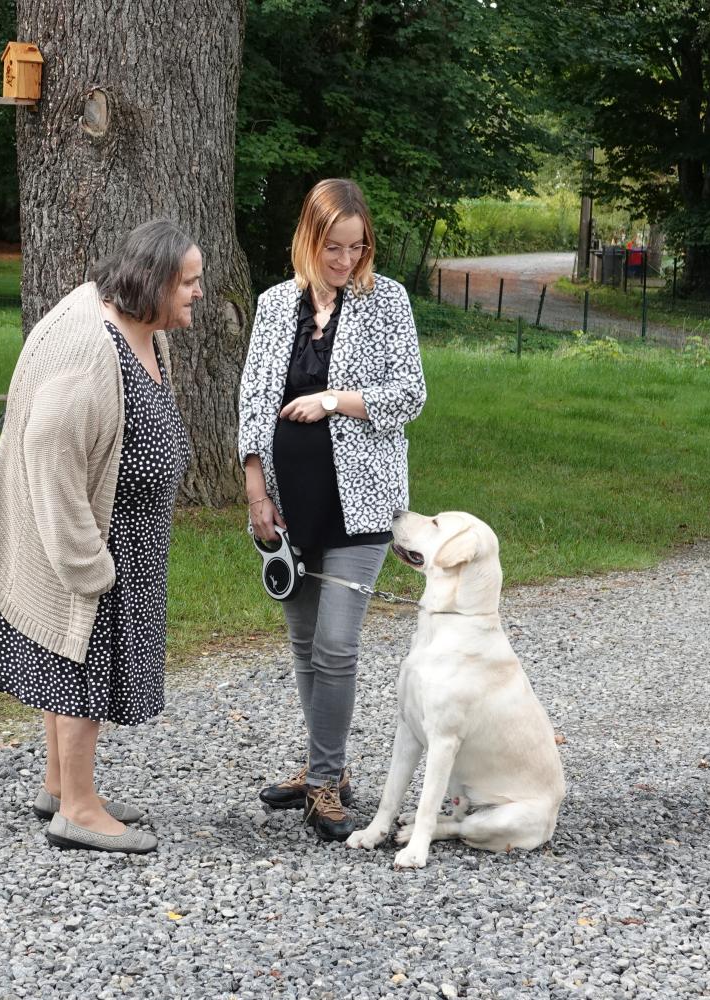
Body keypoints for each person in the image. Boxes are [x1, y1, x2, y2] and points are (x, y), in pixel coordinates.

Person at [0, 219, 203, 854]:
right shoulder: (88, 354)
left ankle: (59, 785)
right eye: (189, 282)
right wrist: (86, 563)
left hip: (129, 534)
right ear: (153, 283)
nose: (198, 293)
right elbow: (50, 454)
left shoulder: (142, 329)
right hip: (93, 540)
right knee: (81, 670)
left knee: (77, 668)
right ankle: (78, 809)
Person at [236, 178, 427, 841]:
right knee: (304, 643)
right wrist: (257, 491)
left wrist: (334, 400)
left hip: (364, 502)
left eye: (357, 247)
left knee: (338, 644)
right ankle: (329, 767)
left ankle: (322, 781)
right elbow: (254, 400)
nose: (345, 261)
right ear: (308, 240)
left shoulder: (388, 301)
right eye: (333, 247)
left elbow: (411, 393)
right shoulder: (272, 305)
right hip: (291, 505)